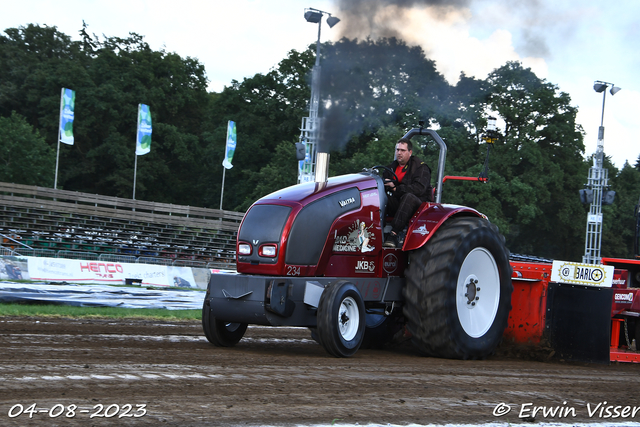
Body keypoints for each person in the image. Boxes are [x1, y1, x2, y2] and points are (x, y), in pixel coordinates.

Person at [382, 138, 433, 248]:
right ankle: (374, 229)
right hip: (398, 203)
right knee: (379, 196)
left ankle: (394, 234)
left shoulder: (421, 167)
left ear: (410, 152)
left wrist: (396, 189)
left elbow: (419, 189)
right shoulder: (390, 167)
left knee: (408, 197)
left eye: (403, 150)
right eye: (397, 150)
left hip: (419, 207)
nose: (399, 153)